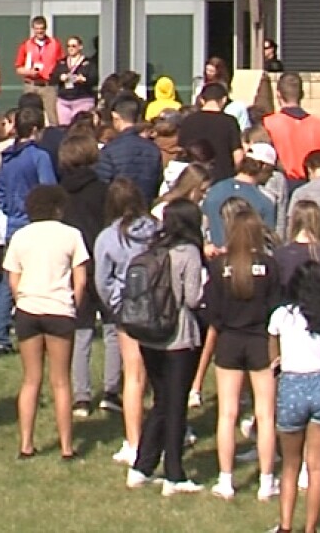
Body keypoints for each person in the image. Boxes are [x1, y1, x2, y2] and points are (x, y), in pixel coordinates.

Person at [125, 200, 207, 495]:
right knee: (175, 405)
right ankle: (174, 472)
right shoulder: (189, 253)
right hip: (178, 336)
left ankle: (143, 466)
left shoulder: (154, 249)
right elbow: (193, 297)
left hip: (150, 336)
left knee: (161, 401)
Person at [3, 184, 88, 459]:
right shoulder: (71, 235)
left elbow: (13, 278)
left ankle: (26, 444)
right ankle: (66, 447)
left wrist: (22, 300)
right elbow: (81, 279)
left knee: (31, 380)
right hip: (59, 309)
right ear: (59, 208)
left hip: (28, 310)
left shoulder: (20, 236)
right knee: (61, 381)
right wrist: (73, 304)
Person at [204, 201, 280, 501]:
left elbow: (211, 309)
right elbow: (277, 305)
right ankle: (266, 481)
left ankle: (226, 480)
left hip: (230, 341)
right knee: (265, 413)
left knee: (227, 413)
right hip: (261, 340)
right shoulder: (269, 266)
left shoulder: (219, 266)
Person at [272, 259, 320, 533]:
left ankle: (286, 526)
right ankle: (311, 528)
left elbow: (274, 355)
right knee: (317, 466)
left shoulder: (282, 316)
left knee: (290, 465)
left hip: (292, 384)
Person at [93, 178, 156, 465]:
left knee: (133, 374)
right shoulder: (157, 228)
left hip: (127, 309)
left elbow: (102, 280)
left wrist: (114, 305)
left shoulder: (108, 237)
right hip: (158, 306)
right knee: (159, 374)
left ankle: (134, 441)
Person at [0, 108, 57, 357]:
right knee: (42, 278)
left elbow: (0, 193)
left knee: (9, 281)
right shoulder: (39, 157)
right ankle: (42, 329)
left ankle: (0, 335)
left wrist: (11, 208)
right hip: (35, 223)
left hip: (13, 224)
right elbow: (48, 190)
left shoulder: (8, 157)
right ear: (35, 130)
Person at [55, 136, 107, 417]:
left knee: (81, 328)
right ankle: (112, 389)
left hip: (74, 263)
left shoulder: (60, 194)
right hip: (103, 259)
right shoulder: (103, 190)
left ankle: (81, 394)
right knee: (112, 327)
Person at [262, 74, 320, 183]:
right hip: (315, 183)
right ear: (302, 94)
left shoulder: (268, 123)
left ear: (278, 94)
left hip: (282, 184)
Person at [97, 97, 163, 202]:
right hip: (144, 204)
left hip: (117, 205)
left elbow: (103, 184)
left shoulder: (110, 150)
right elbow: (157, 182)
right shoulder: (152, 149)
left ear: (116, 117)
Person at [177, 82, 243, 181]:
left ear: (201, 100)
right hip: (222, 178)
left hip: (194, 177)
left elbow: (180, 150)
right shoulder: (229, 122)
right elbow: (238, 156)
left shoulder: (188, 120)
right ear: (224, 100)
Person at [15, 16, 62, 120]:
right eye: (37, 29)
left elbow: (61, 64)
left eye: (42, 28)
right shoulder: (26, 45)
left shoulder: (55, 44)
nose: (39, 31)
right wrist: (29, 72)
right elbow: (18, 68)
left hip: (48, 85)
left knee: (52, 117)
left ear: (45, 28)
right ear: (33, 29)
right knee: (29, 116)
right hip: (31, 85)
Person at [53, 36, 98, 126]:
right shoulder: (62, 62)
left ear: (80, 47)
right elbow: (53, 78)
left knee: (80, 126)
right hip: (64, 100)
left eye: (73, 46)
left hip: (82, 100)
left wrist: (83, 79)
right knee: (64, 127)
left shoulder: (89, 63)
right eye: (68, 46)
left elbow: (94, 79)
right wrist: (60, 77)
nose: (70, 48)